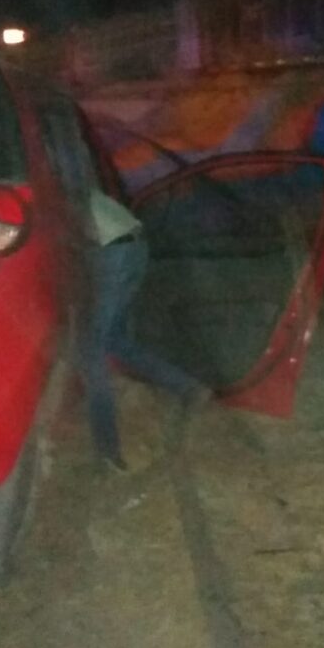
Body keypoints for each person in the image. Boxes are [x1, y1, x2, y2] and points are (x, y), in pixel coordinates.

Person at [81, 186, 210, 472]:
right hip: (135, 245)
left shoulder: (40, 187)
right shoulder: (65, 172)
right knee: (116, 339)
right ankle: (188, 387)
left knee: (92, 352)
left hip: (111, 251)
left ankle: (107, 453)